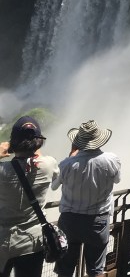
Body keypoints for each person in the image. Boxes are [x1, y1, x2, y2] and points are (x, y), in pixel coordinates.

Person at [53, 120, 121, 277]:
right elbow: (117, 180)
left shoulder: (67, 163)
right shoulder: (111, 160)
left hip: (70, 220)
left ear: (77, 142)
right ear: (99, 139)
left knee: (65, 267)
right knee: (96, 268)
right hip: (98, 220)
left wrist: (70, 157)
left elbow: (54, 186)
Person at [0, 116, 58, 277]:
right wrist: (33, 143)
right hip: (32, 242)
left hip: (2, 242)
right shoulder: (48, 165)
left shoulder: (3, 170)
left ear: (13, 143)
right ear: (38, 142)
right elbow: (39, 158)